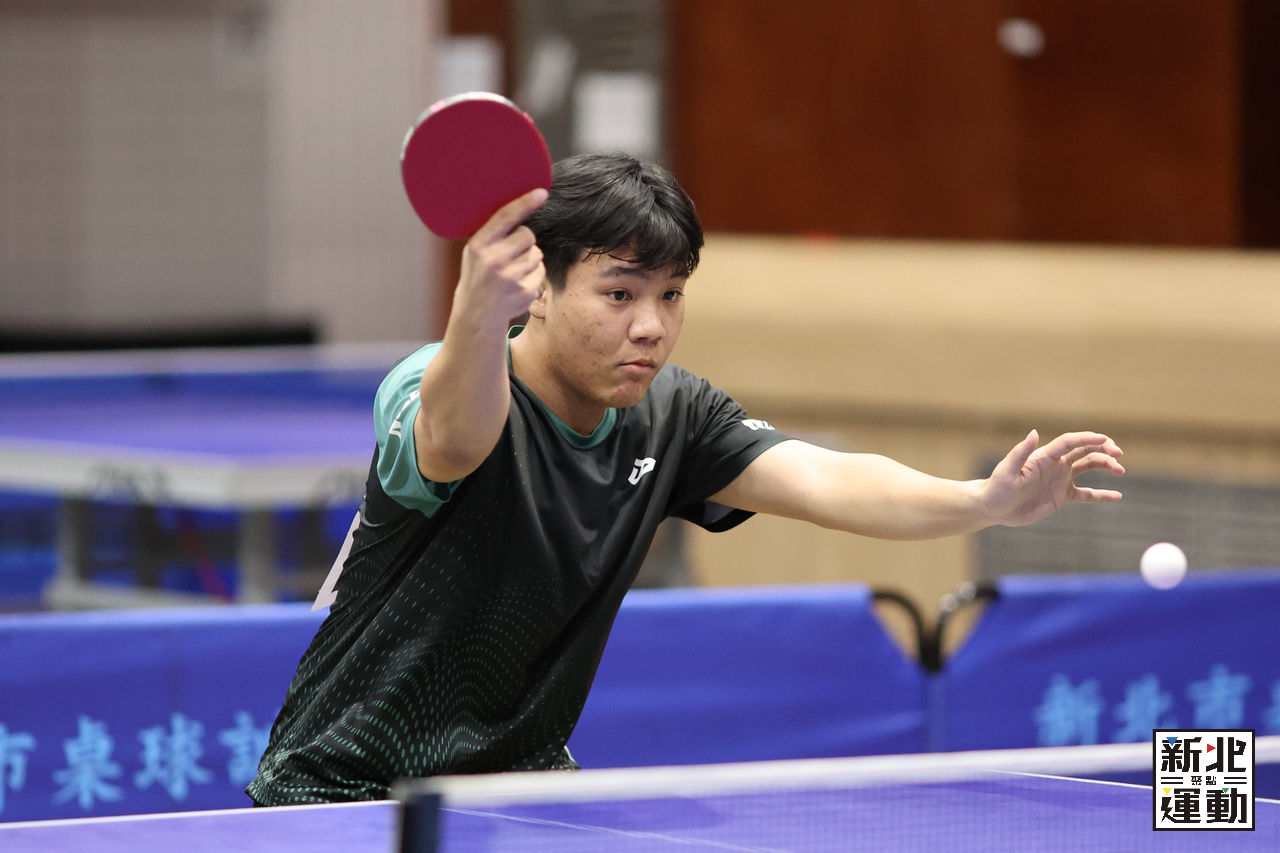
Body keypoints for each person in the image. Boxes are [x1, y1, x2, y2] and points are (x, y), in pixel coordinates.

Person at [247, 153, 1124, 805]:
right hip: (343, 789)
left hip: (517, 787)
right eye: (620, 294)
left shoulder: (673, 415)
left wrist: (983, 501)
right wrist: (474, 318)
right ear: (540, 289)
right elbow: (453, 440)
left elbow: (826, 479)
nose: (652, 326)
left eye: (671, 295)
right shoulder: (437, 380)